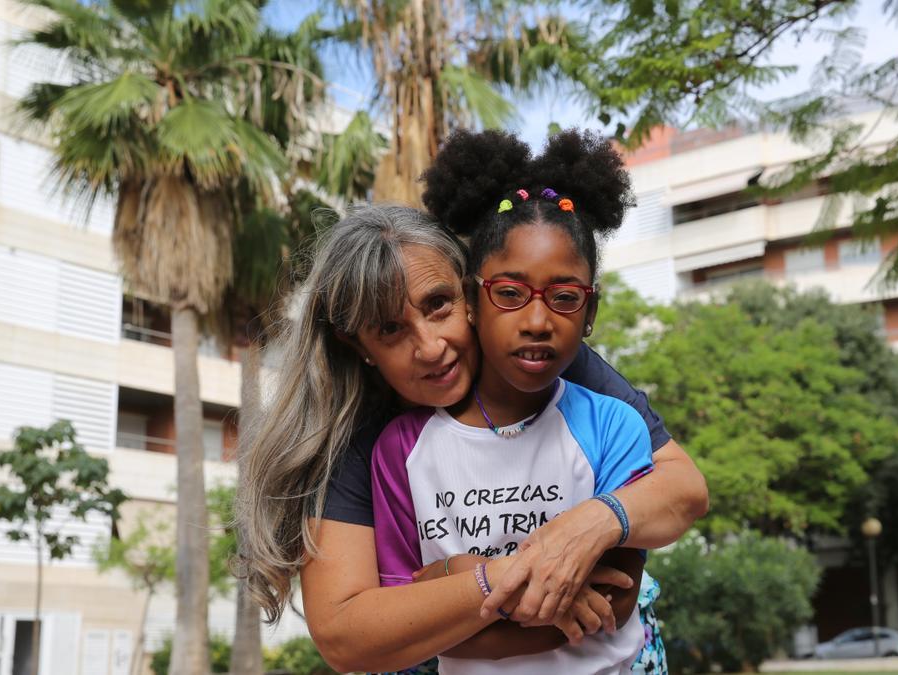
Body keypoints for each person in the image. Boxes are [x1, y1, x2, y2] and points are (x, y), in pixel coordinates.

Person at [236, 137, 707, 674]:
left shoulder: (541, 356)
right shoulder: (363, 437)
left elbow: (681, 489)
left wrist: (592, 524)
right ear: (356, 345)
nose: (431, 346)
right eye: (389, 329)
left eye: (438, 306)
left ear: (469, 295)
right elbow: (348, 634)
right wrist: (498, 576)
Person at [370, 128, 653, 674]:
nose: (538, 321)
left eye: (565, 297)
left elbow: (615, 602)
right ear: (472, 301)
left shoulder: (613, 426)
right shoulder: (400, 448)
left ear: (590, 313)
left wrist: (455, 580)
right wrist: (550, 594)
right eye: (510, 293)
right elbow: (406, 616)